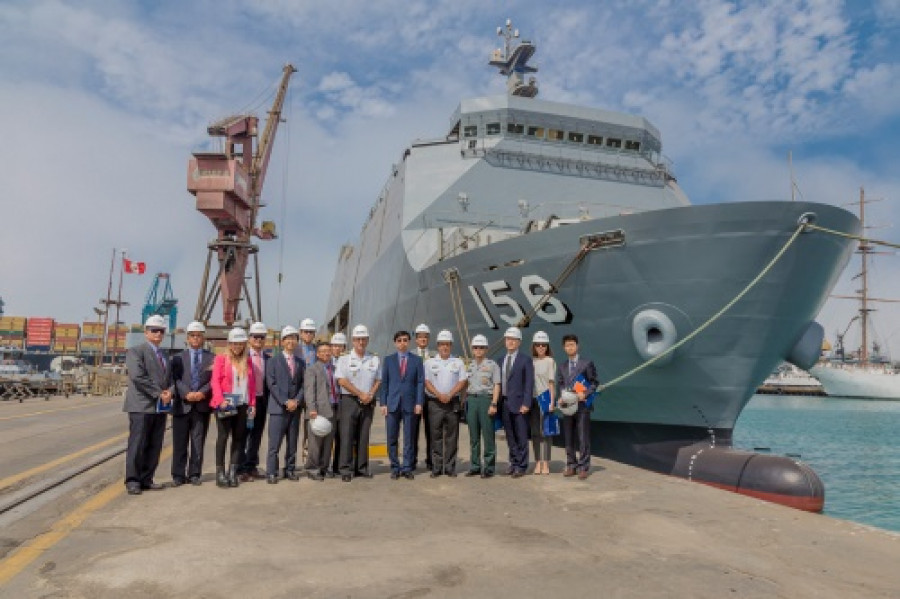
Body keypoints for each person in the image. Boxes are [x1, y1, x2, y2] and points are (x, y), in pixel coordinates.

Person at [123, 314, 174, 495]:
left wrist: (170, 392)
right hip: (141, 406)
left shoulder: (165, 355)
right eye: (154, 330)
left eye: (161, 331)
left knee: (155, 444)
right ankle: (133, 480)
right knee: (138, 444)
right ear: (146, 332)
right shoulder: (136, 351)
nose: (158, 334)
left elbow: (170, 378)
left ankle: (147, 478)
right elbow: (138, 377)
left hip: (160, 407)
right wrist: (159, 393)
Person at [209, 327, 257, 488]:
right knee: (223, 437)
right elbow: (215, 381)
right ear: (229, 344)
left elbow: (251, 385)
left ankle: (232, 471)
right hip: (226, 404)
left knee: (238, 439)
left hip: (242, 405)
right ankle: (220, 473)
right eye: (234, 343)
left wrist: (252, 404)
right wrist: (220, 399)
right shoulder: (221, 359)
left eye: (240, 343)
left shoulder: (248, 360)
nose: (237, 346)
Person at [170, 321, 214, 486]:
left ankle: (194, 473)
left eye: (199, 335)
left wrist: (202, 392)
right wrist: (186, 393)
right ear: (187, 338)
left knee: (198, 442)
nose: (196, 338)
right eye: (192, 335)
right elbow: (175, 379)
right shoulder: (178, 358)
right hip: (182, 405)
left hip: (201, 405)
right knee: (179, 442)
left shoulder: (212, 358)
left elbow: (213, 380)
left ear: (203, 337)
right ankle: (178, 475)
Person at [336, 324, 381, 482]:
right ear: (353, 341)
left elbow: (378, 379)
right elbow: (341, 380)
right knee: (347, 435)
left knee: (364, 435)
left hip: (368, 401)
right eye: (358, 339)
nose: (361, 342)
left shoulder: (374, 358)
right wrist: (360, 393)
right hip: (349, 400)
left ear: (367, 340)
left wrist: (370, 394)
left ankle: (362, 467)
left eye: (363, 339)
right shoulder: (344, 359)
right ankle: (346, 469)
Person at [380, 330, 424, 480]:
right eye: (399, 340)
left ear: (409, 342)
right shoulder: (388, 360)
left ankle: (407, 467)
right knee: (392, 437)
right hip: (392, 404)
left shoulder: (417, 360)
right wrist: (383, 403)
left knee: (409, 438)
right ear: (395, 343)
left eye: (405, 340)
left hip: (410, 404)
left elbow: (419, 382)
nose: (402, 343)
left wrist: (419, 402)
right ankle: (394, 467)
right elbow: (384, 383)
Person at [423, 330, 468, 477]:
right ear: (437, 346)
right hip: (435, 403)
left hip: (452, 402)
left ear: (451, 345)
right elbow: (426, 382)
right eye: (442, 344)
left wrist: (449, 394)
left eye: (447, 344)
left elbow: (462, 381)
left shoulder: (458, 362)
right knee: (435, 435)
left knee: (451, 436)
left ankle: (449, 467)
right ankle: (436, 467)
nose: (444, 347)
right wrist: (439, 394)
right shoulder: (429, 362)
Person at [556, 334, 600, 480]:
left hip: (582, 406)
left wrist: (585, 394)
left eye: (572, 345)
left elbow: (594, 383)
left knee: (583, 438)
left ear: (577, 346)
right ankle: (571, 465)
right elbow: (561, 384)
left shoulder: (586, 364)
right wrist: (561, 397)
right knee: (568, 437)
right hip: (568, 406)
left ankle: (583, 467)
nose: (570, 347)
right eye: (567, 345)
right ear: (564, 348)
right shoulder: (562, 366)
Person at [265, 325, 305, 483]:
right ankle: (272, 472)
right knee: (274, 444)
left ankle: (290, 469)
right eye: (288, 338)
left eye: (294, 338)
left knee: (292, 442)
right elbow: (271, 384)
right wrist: (285, 401)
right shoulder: (273, 361)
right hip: (278, 409)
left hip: (294, 409)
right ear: (282, 341)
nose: (291, 341)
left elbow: (303, 384)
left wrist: (297, 400)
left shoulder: (300, 363)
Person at [462, 334, 501, 478]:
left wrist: (494, 403)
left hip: (486, 399)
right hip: (472, 400)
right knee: (474, 436)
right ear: (472, 349)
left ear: (486, 349)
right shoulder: (470, 365)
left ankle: (489, 467)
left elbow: (497, 385)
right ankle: (475, 466)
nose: (478, 350)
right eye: (476, 347)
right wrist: (463, 401)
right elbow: (466, 385)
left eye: (481, 347)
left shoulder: (492, 365)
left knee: (488, 435)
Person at [499, 326, 534, 478]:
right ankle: (513, 462)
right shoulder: (500, 360)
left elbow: (529, 383)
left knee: (521, 435)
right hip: (504, 402)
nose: (510, 342)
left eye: (513, 339)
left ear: (519, 342)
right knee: (510, 435)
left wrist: (527, 403)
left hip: (519, 404)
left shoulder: (525, 360)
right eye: (508, 339)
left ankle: (522, 465)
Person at [238, 321, 270, 481]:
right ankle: (240, 467)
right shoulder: (242, 357)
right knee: (244, 434)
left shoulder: (269, 359)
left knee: (256, 434)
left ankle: (251, 466)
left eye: (261, 337)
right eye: (255, 336)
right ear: (249, 338)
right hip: (246, 402)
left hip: (261, 401)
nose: (258, 339)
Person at [304, 341, 337, 481]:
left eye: (328, 350)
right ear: (317, 354)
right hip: (317, 410)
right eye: (322, 351)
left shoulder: (335, 368)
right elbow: (309, 391)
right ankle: (312, 468)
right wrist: (311, 409)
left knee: (328, 442)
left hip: (333, 408)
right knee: (315, 443)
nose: (326, 353)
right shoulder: (312, 370)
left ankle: (324, 467)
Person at [530, 331, 557, 475]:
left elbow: (551, 383)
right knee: (535, 432)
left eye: (543, 345)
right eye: (538, 345)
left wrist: (552, 402)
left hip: (545, 397)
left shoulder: (550, 361)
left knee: (546, 432)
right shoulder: (531, 362)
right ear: (534, 346)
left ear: (547, 347)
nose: (541, 347)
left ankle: (546, 463)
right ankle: (537, 462)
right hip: (533, 399)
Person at [412, 323, 435, 471]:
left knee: (431, 430)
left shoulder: (434, 355)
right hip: (415, 396)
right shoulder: (411, 355)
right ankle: (412, 459)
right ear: (416, 339)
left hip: (430, 396)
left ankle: (431, 460)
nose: (423, 339)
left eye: (425, 337)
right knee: (413, 430)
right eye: (420, 337)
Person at [298, 318, 317, 468]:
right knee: (292, 428)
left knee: (310, 426)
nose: (308, 334)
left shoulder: (318, 350)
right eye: (306, 331)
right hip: (297, 393)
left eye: (311, 332)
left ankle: (307, 457)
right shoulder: (295, 349)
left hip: (312, 394)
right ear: (300, 333)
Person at [328, 332, 347, 478]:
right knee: (328, 435)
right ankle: (325, 466)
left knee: (342, 436)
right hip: (330, 403)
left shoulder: (348, 362)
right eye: (334, 346)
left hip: (345, 403)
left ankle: (338, 466)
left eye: (340, 346)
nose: (337, 349)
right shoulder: (326, 363)